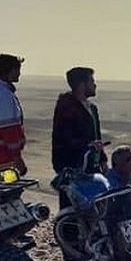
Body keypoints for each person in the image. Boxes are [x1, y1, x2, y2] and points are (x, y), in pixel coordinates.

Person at [51, 66, 105, 207]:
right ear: (82, 85)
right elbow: (64, 137)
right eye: (91, 81)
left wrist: (102, 159)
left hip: (92, 167)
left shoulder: (92, 108)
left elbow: (96, 136)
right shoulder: (67, 107)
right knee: (72, 212)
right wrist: (87, 145)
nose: (94, 85)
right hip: (72, 168)